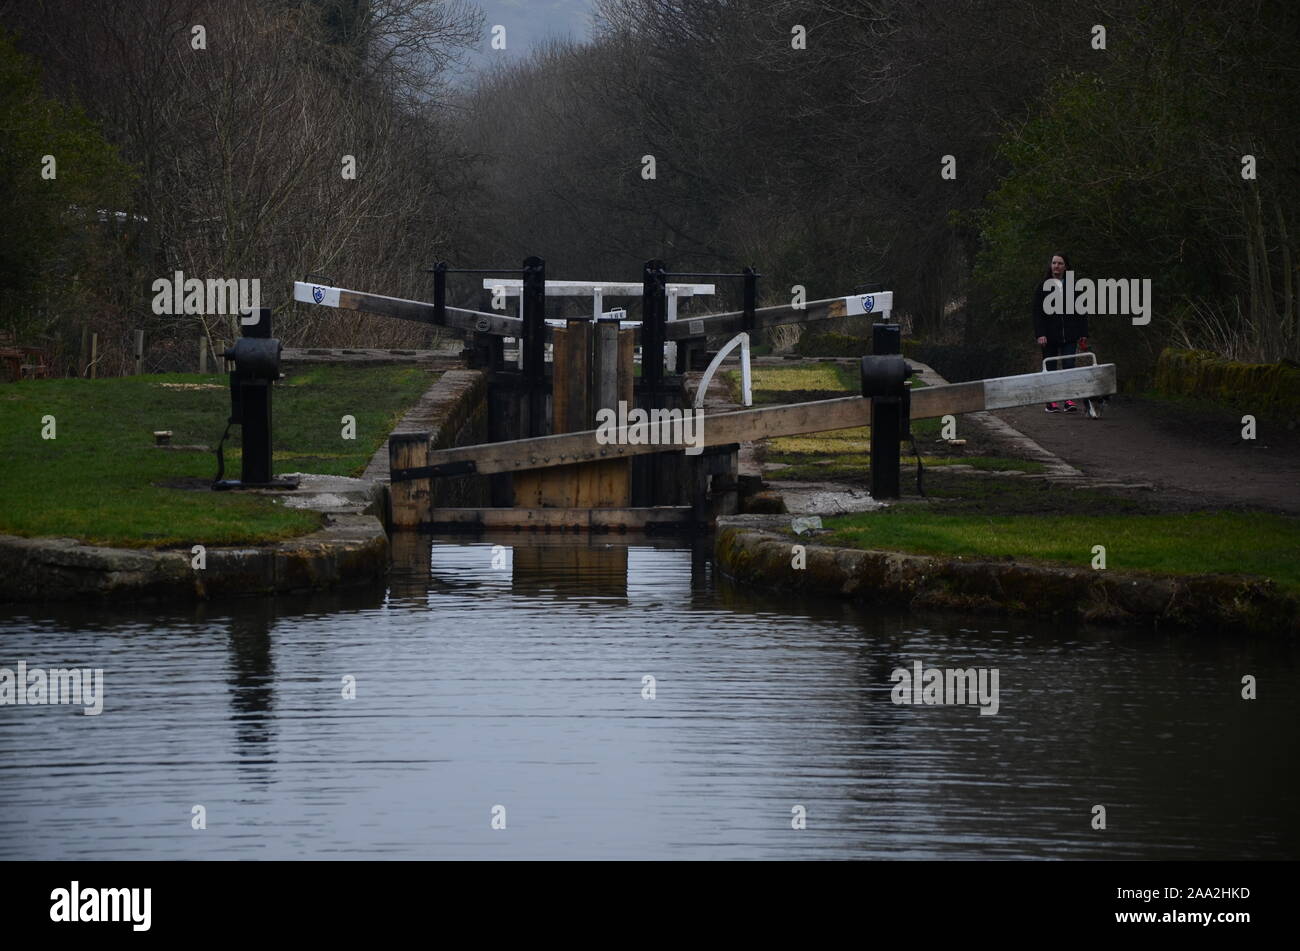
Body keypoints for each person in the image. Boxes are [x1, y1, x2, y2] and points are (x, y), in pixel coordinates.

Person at [1032, 252, 1088, 412]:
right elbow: (1037, 313)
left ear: (1066, 266)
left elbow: (1081, 311)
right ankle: (1051, 402)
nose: (1056, 266)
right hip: (1048, 335)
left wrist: (1083, 332)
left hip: (1070, 334)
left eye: (1060, 263)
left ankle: (1069, 400)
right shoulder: (1042, 287)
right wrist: (1040, 334)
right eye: (1054, 263)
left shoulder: (1074, 286)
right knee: (1051, 367)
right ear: (1050, 266)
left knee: (1069, 365)